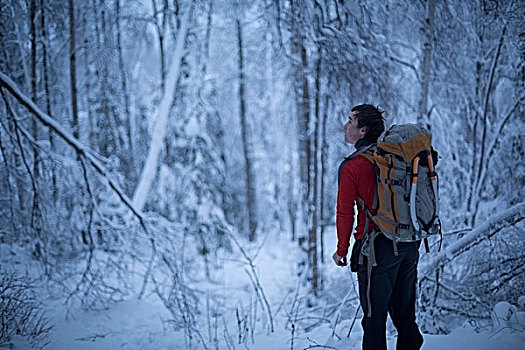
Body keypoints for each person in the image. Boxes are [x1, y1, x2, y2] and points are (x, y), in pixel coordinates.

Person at [332, 104, 424, 350]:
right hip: (408, 243)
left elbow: (344, 212)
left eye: (350, 121)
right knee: (406, 319)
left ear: (363, 130)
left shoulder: (352, 166)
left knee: (374, 322)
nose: (345, 125)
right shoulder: (394, 158)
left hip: (377, 250)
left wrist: (342, 250)